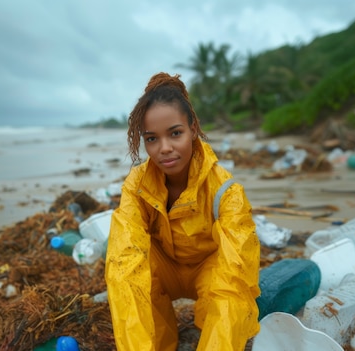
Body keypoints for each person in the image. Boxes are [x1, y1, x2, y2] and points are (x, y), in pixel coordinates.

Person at [105, 72, 260, 350]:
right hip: (163, 268)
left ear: (193, 128)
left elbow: (236, 270)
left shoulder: (225, 190)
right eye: (152, 139)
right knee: (126, 271)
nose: (165, 149)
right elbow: (124, 258)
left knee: (232, 286)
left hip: (208, 269)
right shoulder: (137, 186)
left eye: (175, 133)